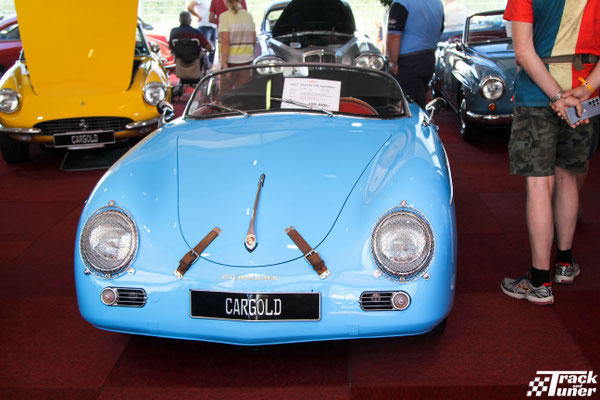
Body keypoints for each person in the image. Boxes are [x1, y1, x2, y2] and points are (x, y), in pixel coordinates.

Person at [500, 0, 600, 305]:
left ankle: (539, 281)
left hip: (537, 95)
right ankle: (565, 264)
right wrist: (584, 90)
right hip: (582, 97)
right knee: (568, 176)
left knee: (539, 184)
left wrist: (557, 96)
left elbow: (523, 52)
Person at [385, 0, 444, 109]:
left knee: (407, 106)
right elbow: (440, 30)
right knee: (419, 99)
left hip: (407, 62)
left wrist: (392, 63)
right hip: (428, 58)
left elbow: (394, 36)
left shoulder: (401, 2)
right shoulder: (438, 3)